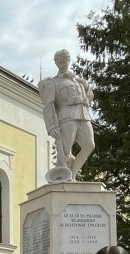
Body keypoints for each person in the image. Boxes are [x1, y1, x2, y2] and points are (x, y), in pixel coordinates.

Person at [39, 48, 95, 181]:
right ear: (56, 63)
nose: (63, 63)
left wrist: (87, 88)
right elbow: (48, 105)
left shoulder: (78, 81)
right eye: (60, 61)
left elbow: (89, 98)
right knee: (64, 151)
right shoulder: (53, 82)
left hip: (83, 115)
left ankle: (72, 174)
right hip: (67, 117)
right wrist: (51, 126)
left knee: (89, 145)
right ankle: (63, 176)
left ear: (69, 61)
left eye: (65, 60)